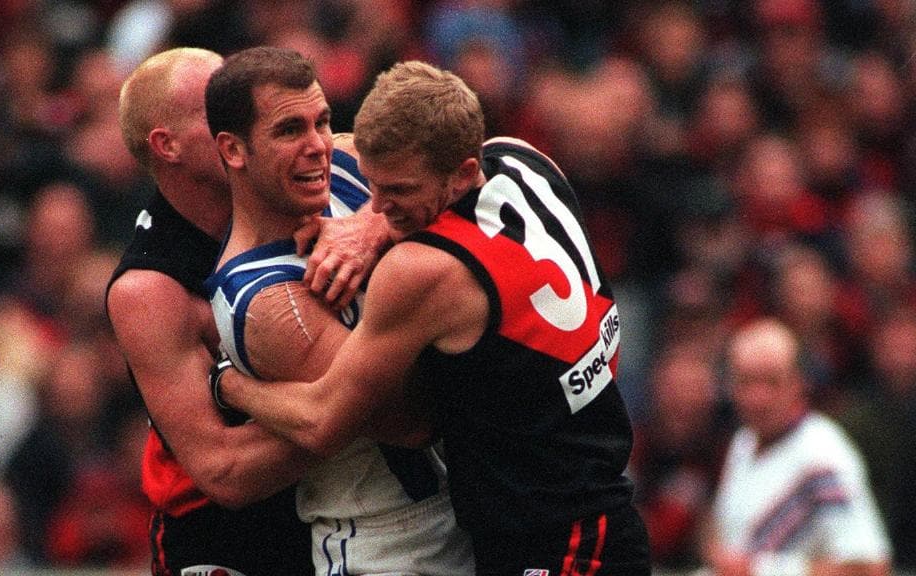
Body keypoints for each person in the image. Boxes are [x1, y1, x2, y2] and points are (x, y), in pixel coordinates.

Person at [216, 60, 651, 575]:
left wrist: (228, 383)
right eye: (370, 186)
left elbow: (323, 422)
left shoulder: (422, 271)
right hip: (597, 509)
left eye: (397, 192)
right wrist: (376, 225)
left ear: (462, 173)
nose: (376, 206)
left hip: (555, 540)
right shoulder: (528, 160)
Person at [106, 47, 389, 575]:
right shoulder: (149, 288)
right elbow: (223, 472)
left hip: (329, 501)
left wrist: (375, 225)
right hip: (224, 535)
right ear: (167, 146)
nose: (245, 107)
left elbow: (457, 162)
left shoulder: (318, 163)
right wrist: (360, 406)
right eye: (217, 107)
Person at [202, 46, 474, 576]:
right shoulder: (264, 301)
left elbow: (470, 164)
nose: (318, 147)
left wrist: (379, 228)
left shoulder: (351, 162)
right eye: (289, 131)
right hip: (394, 544)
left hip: (469, 512)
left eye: (322, 121)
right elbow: (417, 419)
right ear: (233, 150)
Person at [703, 317, 892, 576]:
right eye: (746, 381)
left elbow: (871, 568)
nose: (758, 398)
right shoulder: (743, 441)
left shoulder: (823, 457)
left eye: (771, 382)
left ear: (799, 383)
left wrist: (761, 569)